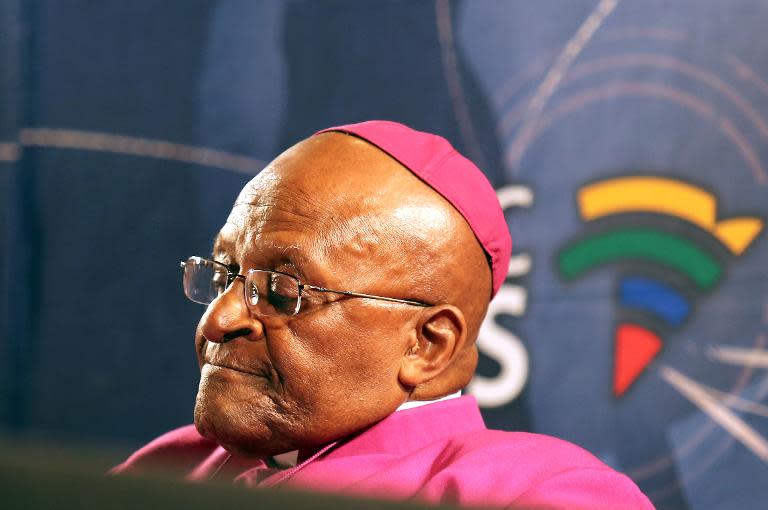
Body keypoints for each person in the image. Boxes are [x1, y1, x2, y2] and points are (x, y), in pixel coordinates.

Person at [113, 120, 654, 509]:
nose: (218, 319)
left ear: (428, 344)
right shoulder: (171, 464)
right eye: (227, 273)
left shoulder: (540, 493)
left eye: (281, 291)